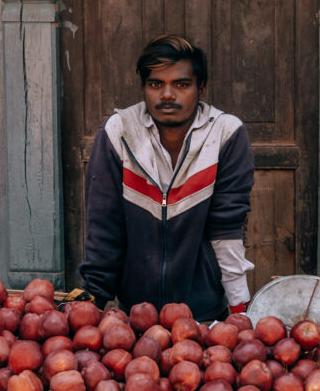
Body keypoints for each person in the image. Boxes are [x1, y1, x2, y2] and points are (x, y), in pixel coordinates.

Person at [80, 34, 255, 321]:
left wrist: (239, 308)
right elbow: (104, 226)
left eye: (181, 84)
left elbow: (227, 228)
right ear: (144, 88)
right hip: (135, 318)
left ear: (202, 88)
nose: (167, 95)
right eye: (156, 84)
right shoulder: (119, 132)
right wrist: (92, 306)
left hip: (205, 315)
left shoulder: (226, 134)